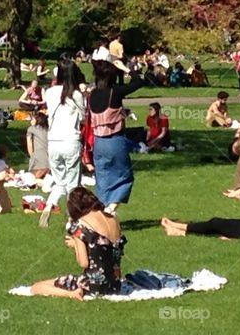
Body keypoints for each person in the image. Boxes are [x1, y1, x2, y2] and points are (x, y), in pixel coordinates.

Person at [30, 187, 125, 300]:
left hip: (92, 286)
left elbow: (83, 263)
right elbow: (104, 249)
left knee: (36, 287)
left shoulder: (80, 225)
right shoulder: (114, 220)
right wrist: (76, 244)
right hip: (115, 285)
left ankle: (72, 294)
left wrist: (76, 241)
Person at [88, 59, 144, 214]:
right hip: (115, 140)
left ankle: (101, 209)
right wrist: (126, 68)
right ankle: (110, 209)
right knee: (124, 177)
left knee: (102, 179)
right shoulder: (115, 92)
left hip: (98, 142)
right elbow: (139, 82)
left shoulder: (92, 94)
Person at [41, 57, 86, 226]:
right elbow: (82, 118)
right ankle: (72, 219)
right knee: (73, 183)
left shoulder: (50, 92)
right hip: (71, 140)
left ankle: (48, 206)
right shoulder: (76, 95)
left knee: (59, 180)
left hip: (53, 140)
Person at [25, 111, 50, 179]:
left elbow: (29, 144)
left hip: (38, 158)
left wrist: (31, 156)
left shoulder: (31, 129)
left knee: (33, 176)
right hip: (49, 158)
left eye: (32, 119)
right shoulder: (48, 129)